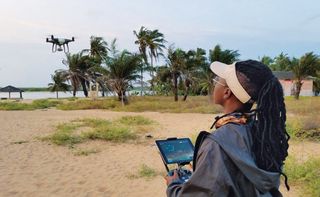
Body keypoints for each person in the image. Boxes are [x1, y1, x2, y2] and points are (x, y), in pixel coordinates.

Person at [165, 60, 290, 197]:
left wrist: (174, 185)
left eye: (217, 80)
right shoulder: (262, 132)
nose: (213, 83)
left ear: (227, 92)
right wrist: (206, 169)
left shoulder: (217, 144)